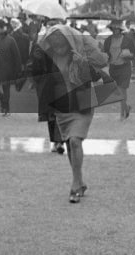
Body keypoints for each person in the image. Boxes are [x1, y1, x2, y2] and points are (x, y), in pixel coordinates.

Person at [26, 25, 110, 202]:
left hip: (82, 105)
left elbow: (100, 66)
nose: (58, 47)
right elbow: (34, 75)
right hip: (61, 106)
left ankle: (74, 183)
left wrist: (83, 57)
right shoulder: (48, 57)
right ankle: (79, 180)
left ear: (67, 41)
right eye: (54, 44)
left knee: (75, 140)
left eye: (60, 43)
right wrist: (36, 56)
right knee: (71, 144)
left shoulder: (79, 52)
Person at [102, 19, 135, 120]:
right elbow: (106, 53)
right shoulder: (108, 40)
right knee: (117, 92)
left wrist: (129, 56)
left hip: (124, 67)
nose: (115, 30)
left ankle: (122, 114)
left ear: (120, 29)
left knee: (122, 91)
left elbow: (134, 52)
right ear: (111, 29)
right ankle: (126, 108)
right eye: (113, 28)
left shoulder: (127, 40)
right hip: (113, 68)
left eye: (117, 28)